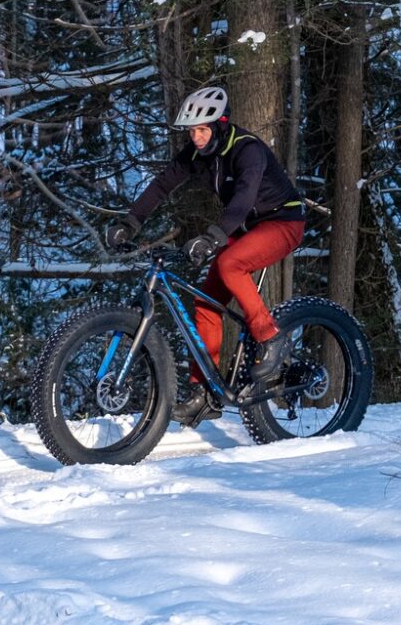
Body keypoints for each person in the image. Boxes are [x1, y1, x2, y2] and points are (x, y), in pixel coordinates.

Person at [107, 86, 304, 401]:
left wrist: (214, 237)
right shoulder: (197, 154)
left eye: (202, 129)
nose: (196, 137)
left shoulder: (247, 149)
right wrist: (129, 223)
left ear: (220, 124)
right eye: (191, 131)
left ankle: (270, 337)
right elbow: (161, 185)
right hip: (248, 228)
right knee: (207, 302)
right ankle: (205, 393)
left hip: (284, 222)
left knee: (230, 264)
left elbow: (242, 200)